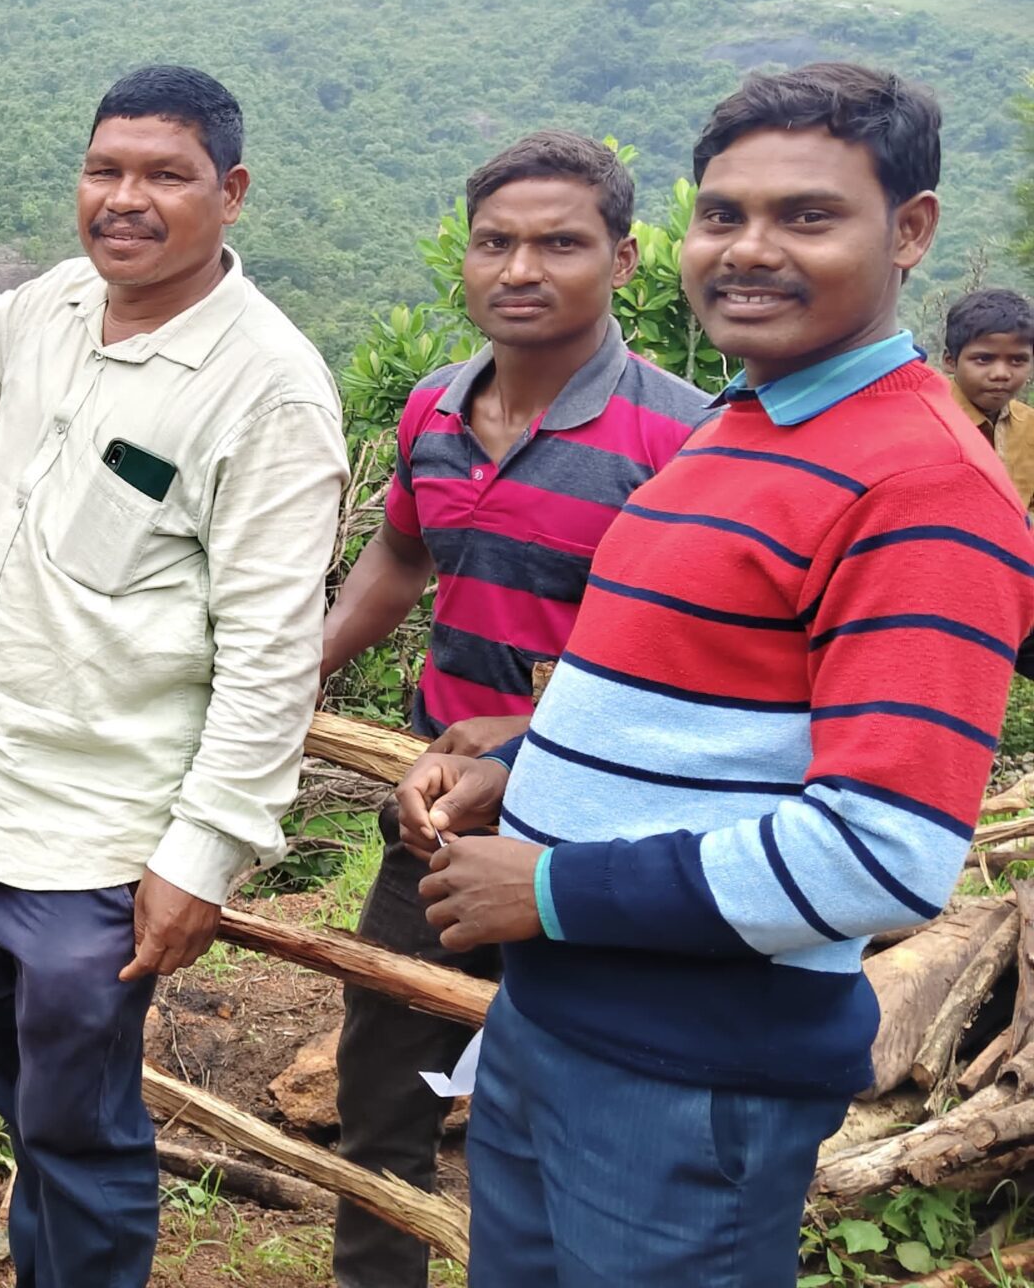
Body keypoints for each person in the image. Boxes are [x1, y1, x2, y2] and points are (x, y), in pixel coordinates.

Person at [399, 62, 1034, 1286]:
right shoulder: (742, 425)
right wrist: (523, 765)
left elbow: (881, 853)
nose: (747, 251)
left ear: (910, 231)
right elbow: (720, 721)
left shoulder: (921, 489)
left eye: (806, 216)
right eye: (723, 214)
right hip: (559, 1030)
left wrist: (551, 890)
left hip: (688, 1079)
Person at [0, 70, 348, 1286]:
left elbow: (272, 653)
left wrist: (202, 857)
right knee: (27, 1116)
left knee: (80, 1139)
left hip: (99, 850)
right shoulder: (63, 306)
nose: (125, 200)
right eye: (104, 171)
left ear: (228, 194)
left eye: (164, 176)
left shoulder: (268, 389)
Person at [314, 132, 710, 1288]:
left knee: (569, 1118)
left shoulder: (681, 440)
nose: (519, 268)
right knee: (383, 1092)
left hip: (597, 844)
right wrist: (299, 672)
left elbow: (701, 664)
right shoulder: (434, 409)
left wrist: (538, 739)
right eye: (494, 242)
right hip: (434, 829)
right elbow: (397, 556)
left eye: (558, 243)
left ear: (624, 260)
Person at [943, 286, 1034, 508]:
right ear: (950, 361)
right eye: (983, 359)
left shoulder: (1029, 425)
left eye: (1017, 360)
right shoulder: (931, 422)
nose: (1001, 374)